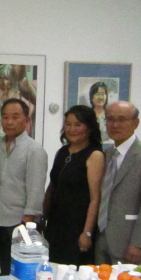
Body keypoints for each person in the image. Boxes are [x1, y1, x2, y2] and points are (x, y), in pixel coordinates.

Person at [95, 101, 141, 265]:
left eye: (121, 119)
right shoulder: (107, 154)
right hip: (103, 240)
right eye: (110, 119)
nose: (115, 125)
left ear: (135, 123)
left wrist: (139, 244)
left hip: (130, 244)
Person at [42, 105, 104, 266]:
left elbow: (95, 199)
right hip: (56, 224)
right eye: (68, 124)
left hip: (78, 226)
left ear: (89, 128)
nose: (71, 129)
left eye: (78, 124)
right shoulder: (62, 152)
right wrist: (43, 215)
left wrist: (87, 232)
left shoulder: (95, 155)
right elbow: (53, 186)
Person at [0, 99, 47, 274]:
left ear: (26, 120)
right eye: (5, 117)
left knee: (20, 273)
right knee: (4, 270)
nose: (9, 122)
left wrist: (27, 220)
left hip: (21, 222)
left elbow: (36, 189)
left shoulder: (34, 150)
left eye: (15, 117)